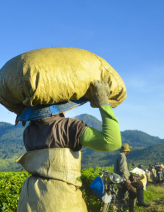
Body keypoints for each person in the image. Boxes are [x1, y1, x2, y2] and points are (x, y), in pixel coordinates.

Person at [16, 80, 122, 212]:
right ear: (61, 107)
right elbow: (112, 142)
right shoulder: (69, 127)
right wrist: (103, 102)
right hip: (61, 201)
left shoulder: (28, 132)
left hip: (30, 200)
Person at [114, 143, 150, 212]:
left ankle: (140, 202)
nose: (129, 153)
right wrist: (126, 179)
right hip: (122, 179)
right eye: (128, 151)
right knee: (133, 192)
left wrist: (131, 176)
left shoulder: (121, 155)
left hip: (124, 177)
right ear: (127, 151)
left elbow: (126, 170)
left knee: (139, 184)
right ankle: (131, 210)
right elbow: (122, 169)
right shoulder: (122, 156)